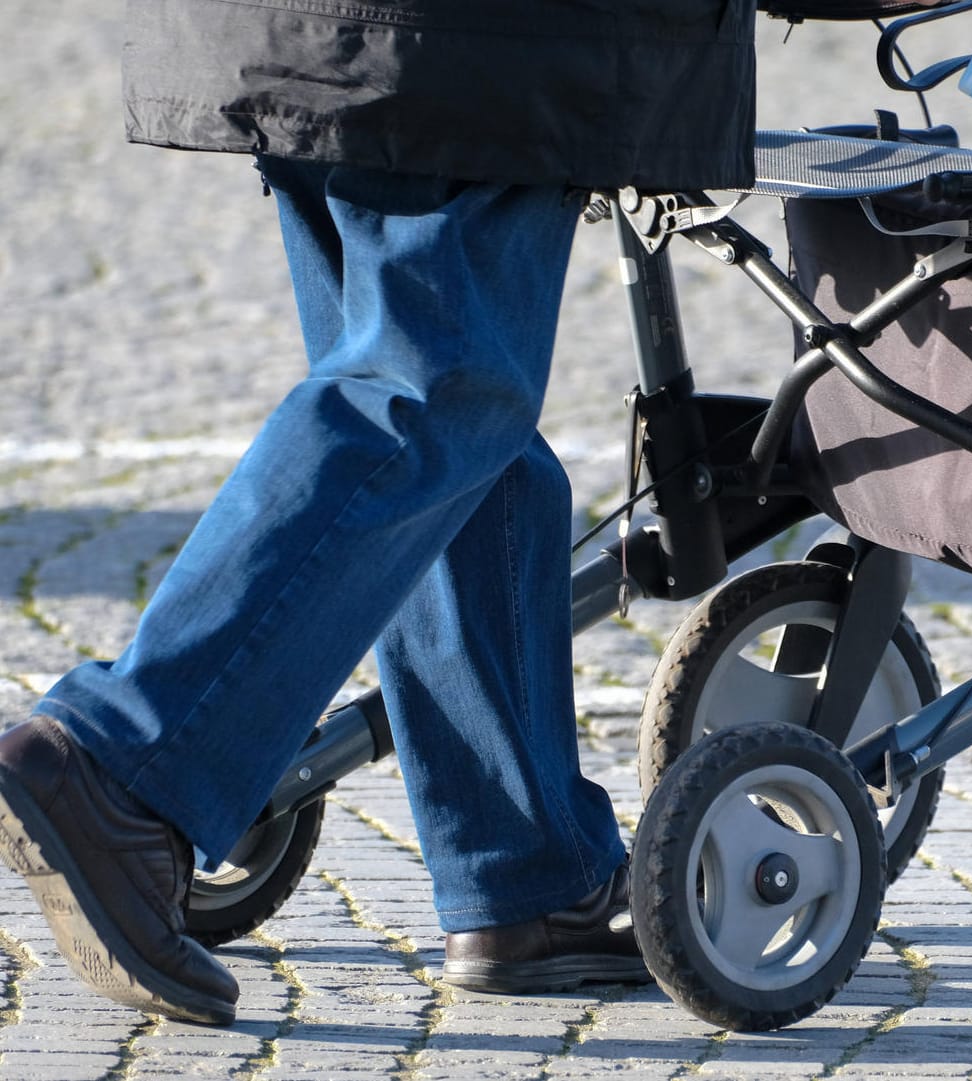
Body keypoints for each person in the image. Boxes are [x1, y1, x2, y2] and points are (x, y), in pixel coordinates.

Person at [0, 0, 756, 1026]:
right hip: (462, 39)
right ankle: (127, 764)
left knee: (456, 434)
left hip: (358, 31)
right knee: (434, 387)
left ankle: (525, 876)